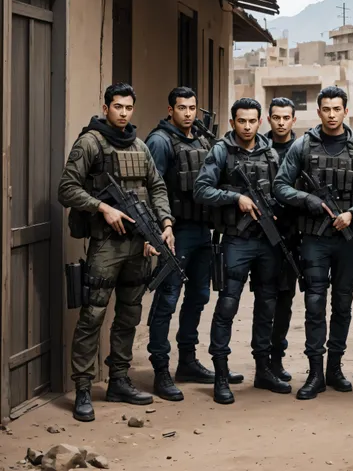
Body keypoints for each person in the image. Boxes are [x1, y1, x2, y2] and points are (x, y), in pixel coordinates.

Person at [58, 82, 174, 422]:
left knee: (129, 314)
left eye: (128, 107)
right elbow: (66, 188)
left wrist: (165, 223)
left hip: (139, 243)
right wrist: (101, 208)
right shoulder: (90, 142)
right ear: (106, 106)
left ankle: (119, 380)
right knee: (93, 314)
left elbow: (156, 186)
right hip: (106, 244)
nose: (123, 112)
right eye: (118, 106)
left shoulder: (139, 145)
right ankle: (82, 387)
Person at [273, 86, 353, 400]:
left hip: (349, 240)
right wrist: (306, 199)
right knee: (314, 305)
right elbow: (280, 186)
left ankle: (335, 368)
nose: (332, 114)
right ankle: (315, 373)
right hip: (314, 239)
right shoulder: (302, 146)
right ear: (319, 111)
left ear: (345, 111)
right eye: (326, 109)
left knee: (343, 304)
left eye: (337, 109)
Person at [145, 87, 243, 401]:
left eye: (192, 108)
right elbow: (151, 188)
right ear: (170, 109)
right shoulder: (160, 141)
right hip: (175, 231)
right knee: (167, 299)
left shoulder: (202, 139)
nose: (188, 113)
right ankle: (161, 369)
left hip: (203, 231)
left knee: (199, 295)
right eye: (182, 108)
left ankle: (186, 361)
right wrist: (156, 230)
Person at [193, 98, 290, 404]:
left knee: (267, 306)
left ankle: (263, 370)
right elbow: (201, 189)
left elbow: (283, 189)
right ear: (233, 122)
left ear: (260, 122)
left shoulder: (271, 153)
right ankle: (221, 375)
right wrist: (235, 198)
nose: (247, 127)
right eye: (241, 121)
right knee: (227, 306)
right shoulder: (221, 151)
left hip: (267, 242)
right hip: (236, 240)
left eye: (252, 121)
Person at [265, 97, 299, 382]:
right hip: (263, 235)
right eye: (276, 117)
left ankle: (276, 358)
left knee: (285, 298)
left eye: (286, 117)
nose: (281, 122)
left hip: (293, 234)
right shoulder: (260, 149)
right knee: (265, 299)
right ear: (269, 119)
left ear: (293, 120)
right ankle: (262, 360)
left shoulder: (302, 150)